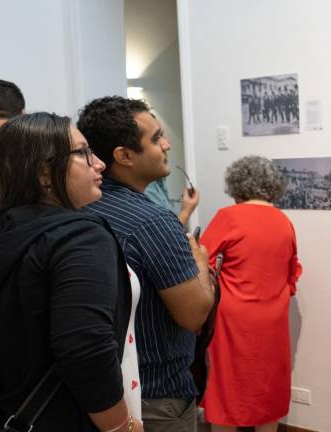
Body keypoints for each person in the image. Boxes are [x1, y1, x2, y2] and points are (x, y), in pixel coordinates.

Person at [0, 112, 143, 431]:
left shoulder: (8, 228)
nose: (100, 164)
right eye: (83, 153)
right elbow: (85, 347)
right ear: (44, 171)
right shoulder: (80, 237)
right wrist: (121, 426)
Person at [78, 96, 215, 432]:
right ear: (124, 156)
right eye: (155, 139)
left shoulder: (77, 208)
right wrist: (201, 265)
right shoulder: (152, 222)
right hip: (157, 396)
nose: (167, 145)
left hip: (96, 392)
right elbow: (194, 313)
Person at [200, 155, 302, 432]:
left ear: (237, 185)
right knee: (268, 382)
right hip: (273, 314)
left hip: (233, 316)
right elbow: (292, 273)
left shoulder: (229, 216)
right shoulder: (283, 221)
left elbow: (201, 261)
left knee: (227, 382)